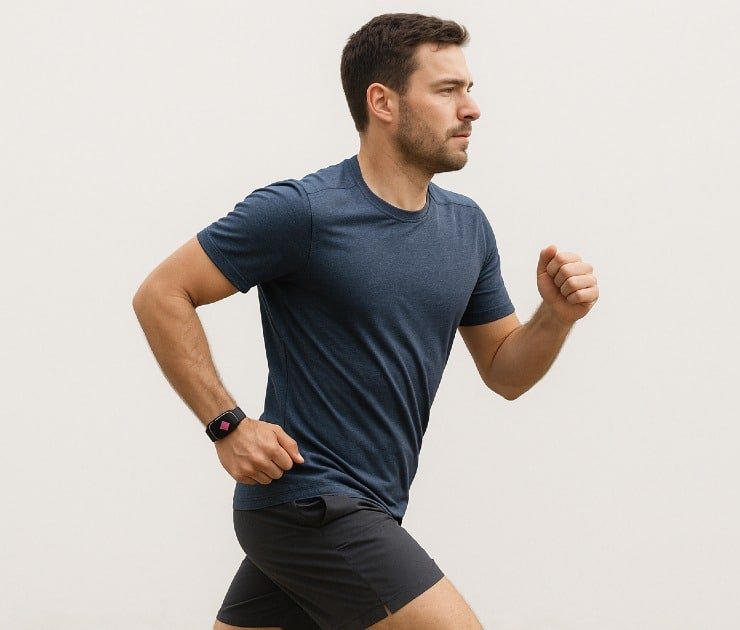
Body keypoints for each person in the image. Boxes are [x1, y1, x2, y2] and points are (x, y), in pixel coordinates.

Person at [132, 12, 598, 630]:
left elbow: (505, 370)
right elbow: (162, 293)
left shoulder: (467, 228)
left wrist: (557, 316)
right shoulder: (303, 212)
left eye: (470, 88)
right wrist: (228, 426)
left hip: (368, 505)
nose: (472, 108)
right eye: (447, 90)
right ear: (382, 101)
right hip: (309, 502)